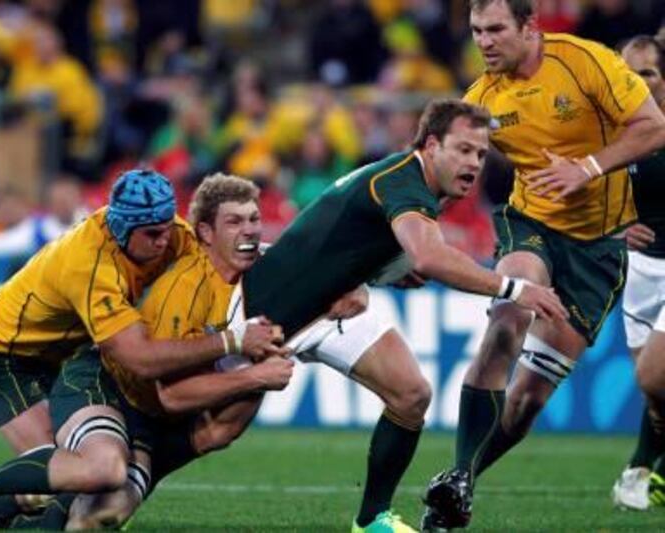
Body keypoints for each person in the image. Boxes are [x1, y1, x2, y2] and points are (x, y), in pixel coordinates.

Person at [221, 98, 567, 533]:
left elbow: (360, 241)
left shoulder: (414, 184)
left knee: (411, 394)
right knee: (216, 430)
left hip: (336, 306)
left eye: (481, 154)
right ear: (431, 145)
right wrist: (516, 288)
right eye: (463, 150)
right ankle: (129, 473)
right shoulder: (403, 182)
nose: (474, 163)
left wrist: (381, 273)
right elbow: (428, 256)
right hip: (274, 310)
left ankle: (371, 521)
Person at [0, 169, 286, 528]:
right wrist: (232, 341)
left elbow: (223, 251)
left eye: (168, 227)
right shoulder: (91, 266)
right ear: (122, 229)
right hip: (3, 355)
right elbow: (139, 358)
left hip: (64, 353)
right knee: (81, 473)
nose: (164, 240)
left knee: (77, 476)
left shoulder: (168, 233)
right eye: (153, 233)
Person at [421, 1, 665, 530]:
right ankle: (458, 474)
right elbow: (435, 172)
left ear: (530, 27)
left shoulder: (585, 62)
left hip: (598, 250)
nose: (483, 42)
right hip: (531, 226)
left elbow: (653, 126)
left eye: (495, 30)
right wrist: (408, 241)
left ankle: (464, 478)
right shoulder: (482, 99)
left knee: (527, 402)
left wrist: (588, 167)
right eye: (476, 31)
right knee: (511, 311)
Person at [611, 35, 665, 512]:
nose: (637, 82)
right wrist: (616, 226)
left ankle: (641, 465)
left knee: (655, 374)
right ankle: (644, 468)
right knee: (654, 394)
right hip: (641, 271)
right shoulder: (613, 126)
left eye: (647, 72)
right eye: (628, 73)